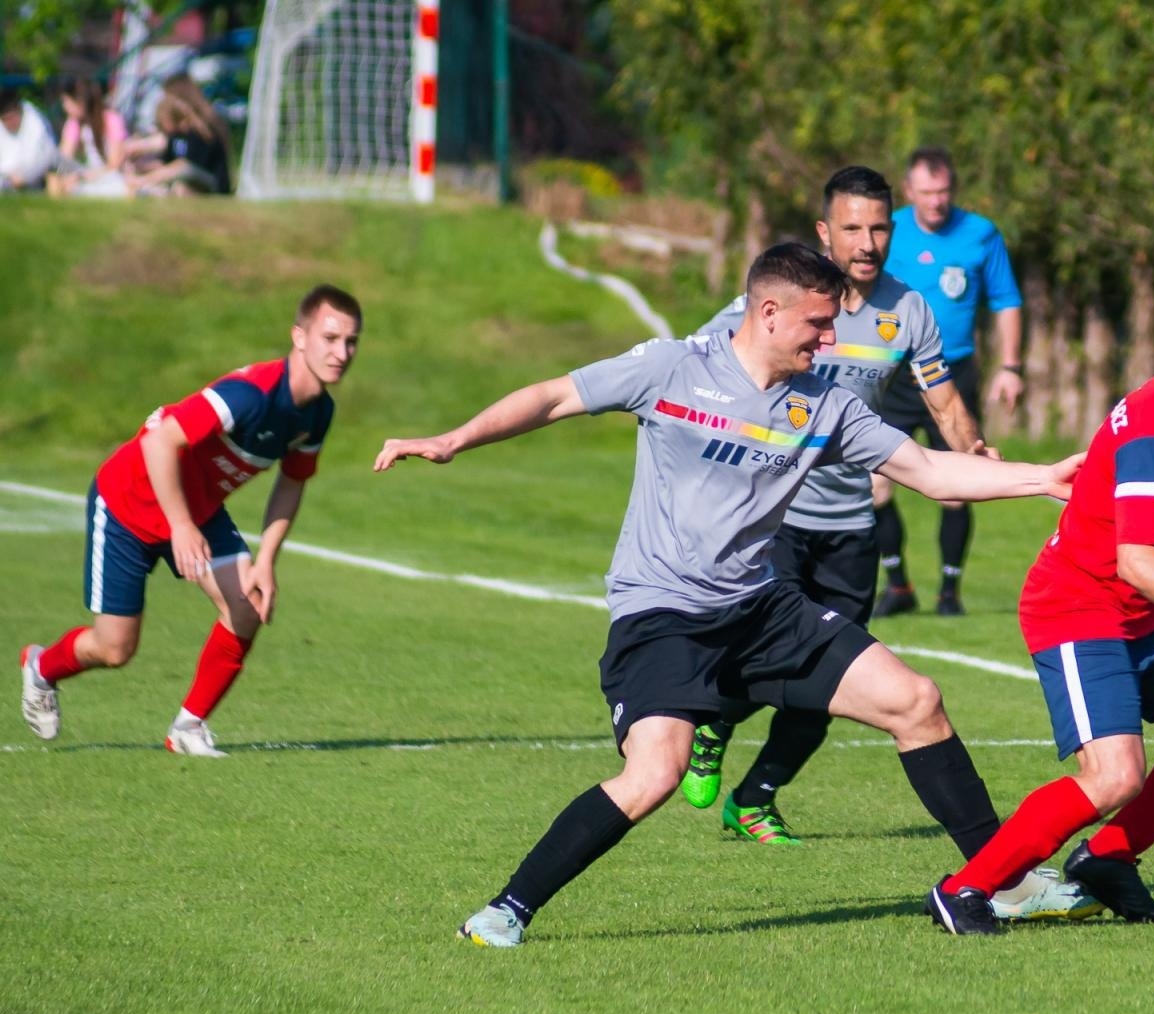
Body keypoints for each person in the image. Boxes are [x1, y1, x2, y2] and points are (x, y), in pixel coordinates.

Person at [374, 243, 1093, 947]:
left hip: (760, 608)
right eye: (818, 323)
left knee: (916, 701)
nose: (830, 336)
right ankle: (506, 909)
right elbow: (555, 395)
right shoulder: (672, 368)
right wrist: (451, 440)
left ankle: (1005, 880)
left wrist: (1044, 479)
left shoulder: (825, 404)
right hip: (662, 613)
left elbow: (932, 472)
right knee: (657, 771)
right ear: (770, 312)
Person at [926, 281, 1154, 935]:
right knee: (1114, 777)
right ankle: (966, 889)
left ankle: (1108, 857)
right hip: (1079, 608)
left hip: (1142, 614)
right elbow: (1137, 559)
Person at [679, 166, 990, 848]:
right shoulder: (786, 300)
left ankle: (755, 798)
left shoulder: (908, 310)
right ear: (825, 231)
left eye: (880, 226)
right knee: (767, 658)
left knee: (832, 678)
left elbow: (942, 403)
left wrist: (978, 458)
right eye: (852, 227)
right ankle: (715, 723)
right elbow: (698, 360)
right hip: (775, 520)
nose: (868, 241)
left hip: (853, 525)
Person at [19, 285, 362, 757]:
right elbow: (158, 442)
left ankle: (187, 728)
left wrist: (266, 560)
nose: (341, 352)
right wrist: (181, 526)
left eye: (350, 342)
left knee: (248, 605)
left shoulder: (317, 414)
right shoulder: (249, 395)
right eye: (330, 337)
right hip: (129, 504)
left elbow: (292, 482)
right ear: (298, 337)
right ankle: (42, 668)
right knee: (115, 648)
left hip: (196, 511)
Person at [871, 146, 1024, 618]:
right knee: (876, 484)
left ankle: (949, 592)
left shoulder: (980, 234)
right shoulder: (885, 232)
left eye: (943, 192)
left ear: (952, 190)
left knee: (958, 484)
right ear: (910, 190)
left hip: (953, 374)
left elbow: (1006, 299)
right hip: (893, 374)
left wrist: (1011, 366)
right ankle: (898, 585)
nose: (936, 201)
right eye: (927, 192)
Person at [123, 94, 230, 197]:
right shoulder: (174, 138)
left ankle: (140, 183)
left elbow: (187, 166)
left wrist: (145, 179)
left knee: (182, 167)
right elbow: (167, 165)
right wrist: (141, 167)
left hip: (212, 182)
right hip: (188, 182)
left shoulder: (201, 134)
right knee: (178, 187)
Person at [50, 78, 129, 198]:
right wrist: (62, 176)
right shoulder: (74, 123)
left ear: (80, 102)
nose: (65, 107)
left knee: (117, 185)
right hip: (88, 174)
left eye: (67, 102)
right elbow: (64, 158)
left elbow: (114, 164)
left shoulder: (111, 119)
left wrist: (82, 176)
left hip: (109, 175)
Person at [0, 88, 58, 192]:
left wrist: (23, 178)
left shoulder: (35, 123)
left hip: (38, 180)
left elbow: (44, 159)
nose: (9, 123)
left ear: (18, 110)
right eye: (5, 120)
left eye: (11, 118)